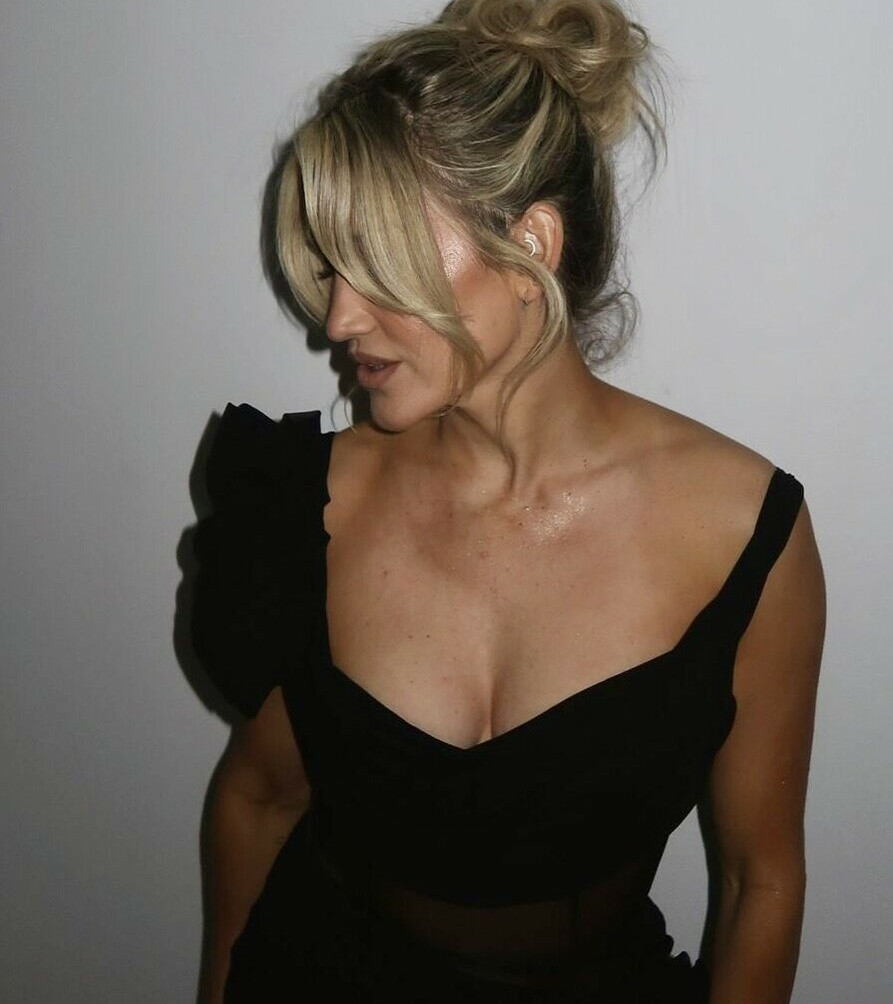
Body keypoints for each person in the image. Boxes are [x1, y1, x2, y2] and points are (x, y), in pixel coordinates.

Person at [191, 0, 826, 1001]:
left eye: (379, 260)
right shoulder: (306, 503)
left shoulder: (743, 536)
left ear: (530, 246)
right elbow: (260, 795)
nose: (337, 316)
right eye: (334, 262)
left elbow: (761, 879)